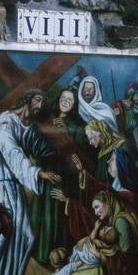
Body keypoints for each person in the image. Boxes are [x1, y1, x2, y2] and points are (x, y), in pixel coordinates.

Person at [0, 88, 60, 275]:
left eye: (43, 102)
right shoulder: (5, 123)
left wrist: (61, 134)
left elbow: (42, 148)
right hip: (1, 188)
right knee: (6, 238)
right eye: (38, 99)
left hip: (15, 189)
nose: (40, 105)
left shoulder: (29, 128)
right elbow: (13, 154)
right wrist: (36, 172)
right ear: (27, 100)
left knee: (25, 236)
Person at [29, 88, 88, 265]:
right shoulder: (47, 120)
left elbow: (81, 153)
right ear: (58, 99)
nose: (66, 102)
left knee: (58, 213)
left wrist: (67, 134)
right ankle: (41, 252)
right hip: (47, 171)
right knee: (43, 211)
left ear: (75, 105)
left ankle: (59, 256)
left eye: (70, 100)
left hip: (65, 176)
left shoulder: (77, 127)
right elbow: (36, 144)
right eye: (64, 98)